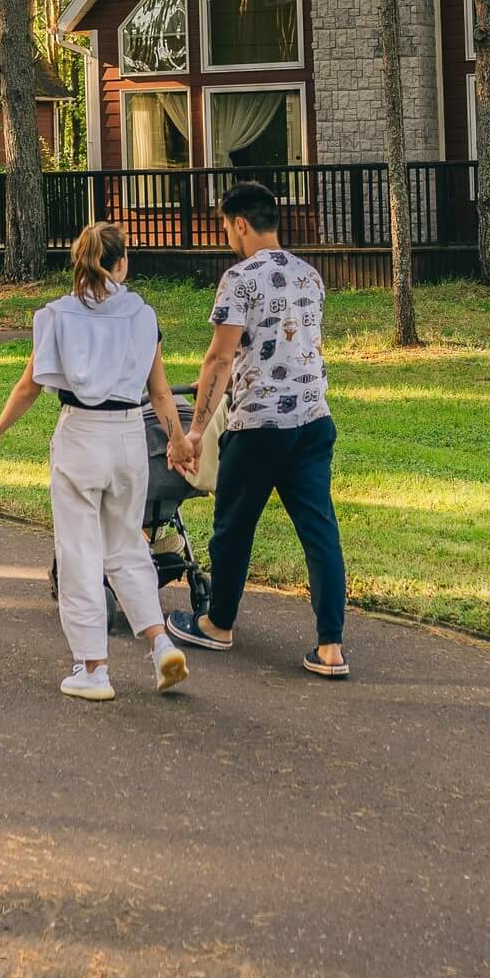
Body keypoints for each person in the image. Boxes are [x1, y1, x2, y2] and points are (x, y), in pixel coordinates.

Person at [0, 222, 193, 701]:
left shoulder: (58, 316)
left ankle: (93, 669)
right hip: (129, 438)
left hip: (81, 435)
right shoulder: (142, 314)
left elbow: (30, 385)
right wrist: (177, 439)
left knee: (78, 551)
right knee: (126, 547)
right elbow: (159, 391)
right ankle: (160, 646)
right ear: (119, 263)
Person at [165, 182, 350, 678]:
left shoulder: (239, 279)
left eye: (227, 227)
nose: (227, 235)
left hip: (260, 423)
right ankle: (331, 647)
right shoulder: (310, 276)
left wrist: (197, 430)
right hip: (313, 420)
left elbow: (221, 357)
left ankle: (218, 624)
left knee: (233, 525)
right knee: (319, 530)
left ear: (240, 223)